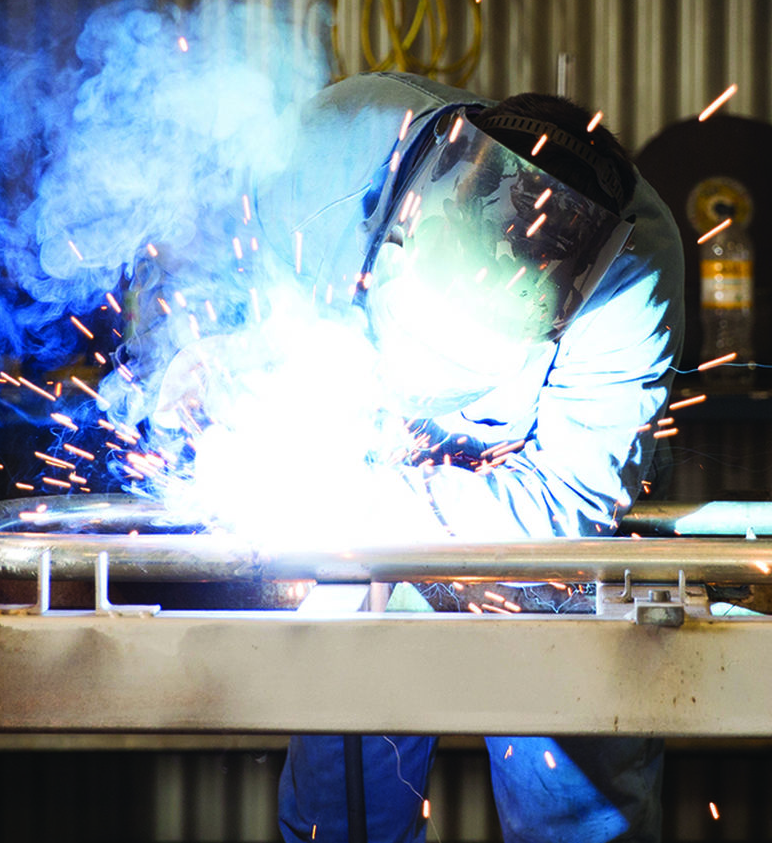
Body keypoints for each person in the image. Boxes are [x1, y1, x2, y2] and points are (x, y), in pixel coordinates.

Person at [255, 71, 683, 843]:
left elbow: (566, 505)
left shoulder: (637, 269)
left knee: (572, 789)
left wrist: (369, 505)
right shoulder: (333, 149)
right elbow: (207, 275)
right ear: (408, 215)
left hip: (520, 530)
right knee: (345, 788)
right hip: (343, 444)